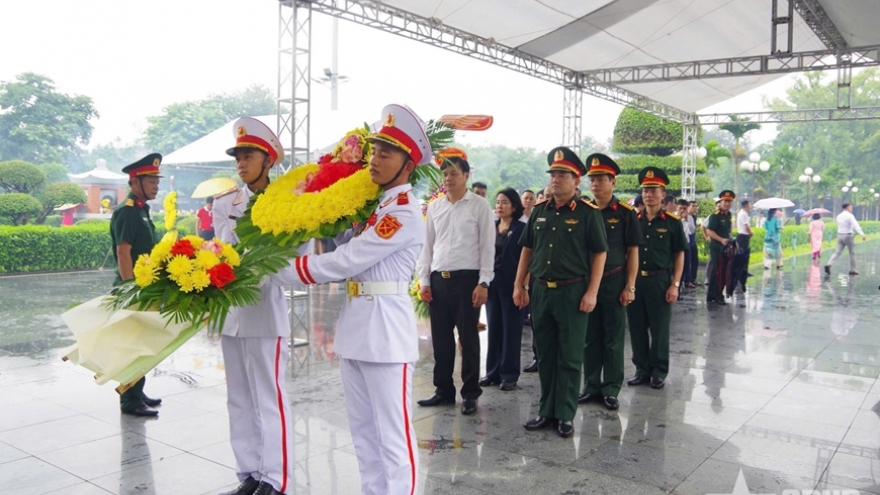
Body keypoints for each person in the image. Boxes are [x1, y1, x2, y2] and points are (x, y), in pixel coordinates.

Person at [273, 104, 431, 494]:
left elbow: (348, 260)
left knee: (394, 440)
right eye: (374, 151)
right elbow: (341, 242)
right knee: (362, 434)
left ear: (407, 166)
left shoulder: (405, 213)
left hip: (385, 334)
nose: (375, 160)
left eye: (386, 153)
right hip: (358, 327)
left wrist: (282, 272)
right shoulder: (372, 208)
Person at [213, 118, 293, 495]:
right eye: (238, 157)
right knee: (239, 398)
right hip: (231, 315)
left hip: (265, 310)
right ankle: (249, 473)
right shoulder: (225, 203)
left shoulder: (288, 203)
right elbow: (220, 254)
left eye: (249, 156)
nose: (241, 163)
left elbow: (295, 256)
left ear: (268, 159)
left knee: (269, 397)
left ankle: (275, 478)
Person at [513, 146, 608, 438]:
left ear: (576, 180)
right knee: (546, 354)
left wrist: (592, 292)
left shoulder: (587, 213)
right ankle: (546, 410)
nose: (555, 179)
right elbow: (527, 250)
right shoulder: (539, 212)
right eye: (553, 174)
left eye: (562, 175)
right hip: (541, 291)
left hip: (573, 292)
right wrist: (520, 284)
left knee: (569, 355)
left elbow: (600, 254)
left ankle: (565, 414)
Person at [417, 147, 494, 416]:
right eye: (445, 174)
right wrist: (424, 280)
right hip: (439, 280)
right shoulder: (436, 207)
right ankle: (443, 390)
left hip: (467, 281)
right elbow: (428, 246)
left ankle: (470, 393)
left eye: (453, 173)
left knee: (468, 338)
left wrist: (483, 282)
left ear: (466, 175)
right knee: (441, 339)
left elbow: (487, 247)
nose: (448, 178)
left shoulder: (480, 206)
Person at [578, 153, 640, 411]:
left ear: (612, 182)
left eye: (600, 179)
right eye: (592, 179)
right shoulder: (583, 210)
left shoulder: (625, 213)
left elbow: (633, 252)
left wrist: (630, 286)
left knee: (613, 338)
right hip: (587, 283)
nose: (595, 184)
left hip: (614, 281)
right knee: (590, 336)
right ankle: (591, 384)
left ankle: (611, 387)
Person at [110, 153, 164, 417]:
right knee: (131, 345)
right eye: (152, 180)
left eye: (157, 180)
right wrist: (131, 288)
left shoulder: (142, 209)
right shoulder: (127, 212)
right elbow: (123, 253)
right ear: (135, 181)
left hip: (144, 285)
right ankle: (129, 400)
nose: (157, 185)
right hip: (131, 288)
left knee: (142, 342)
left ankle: (137, 390)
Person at [626, 167, 686, 390]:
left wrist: (675, 284)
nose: (649, 194)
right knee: (637, 327)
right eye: (645, 190)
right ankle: (641, 370)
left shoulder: (672, 222)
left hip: (661, 282)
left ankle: (658, 371)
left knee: (659, 330)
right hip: (635, 282)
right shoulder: (633, 220)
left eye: (653, 190)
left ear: (663, 194)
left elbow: (679, 254)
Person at [482, 188, 527, 391]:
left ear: (514, 206)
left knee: (511, 329)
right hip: (493, 281)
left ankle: (509, 374)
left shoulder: (521, 229)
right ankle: (492, 372)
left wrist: (523, 285)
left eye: (505, 202)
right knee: (494, 327)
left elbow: (528, 260)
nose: (500, 206)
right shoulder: (491, 227)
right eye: (498, 202)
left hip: (513, 282)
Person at [704, 191, 735, 305]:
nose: (727, 204)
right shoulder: (715, 216)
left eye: (729, 201)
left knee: (722, 271)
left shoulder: (729, 215)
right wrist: (721, 240)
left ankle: (715, 294)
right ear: (720, 202)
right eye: (725, 201)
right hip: (716, 247)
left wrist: (729, 239)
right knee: (717, 271)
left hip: (725, 247)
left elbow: (728, 230)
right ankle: (715, 295)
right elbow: (709, 231)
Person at [825, 202, 866, 275]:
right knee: (852, 253)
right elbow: (855, 225)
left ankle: (829, 264)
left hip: (840, 235)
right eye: (851, 207)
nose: (851, 209)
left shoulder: (839, 216)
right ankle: (852, 269)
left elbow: (843, 224)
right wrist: (862, 234)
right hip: (848, 235)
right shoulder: (850, 216)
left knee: (837, 252)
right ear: (848, 207)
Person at [677, 199, 695, 288]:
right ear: (677, 207)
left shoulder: (689, 217)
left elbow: (692, 231)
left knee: (686, 265)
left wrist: (687, 220)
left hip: (686, 244)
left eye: (684, 208)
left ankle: (685, 282)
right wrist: (680, 218)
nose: (682, 210)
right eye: (680, 208)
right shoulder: (673, 217)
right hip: (676, 245)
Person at [686, 201, 699, 286]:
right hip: (687, 242)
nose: (694, 208)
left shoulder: (694, 217)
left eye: (695, 206)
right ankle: (687, 280)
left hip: (693, 242)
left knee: (695, 261)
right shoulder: (686, 217)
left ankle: (693, 278)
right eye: (693, 206)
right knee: (688, 262)